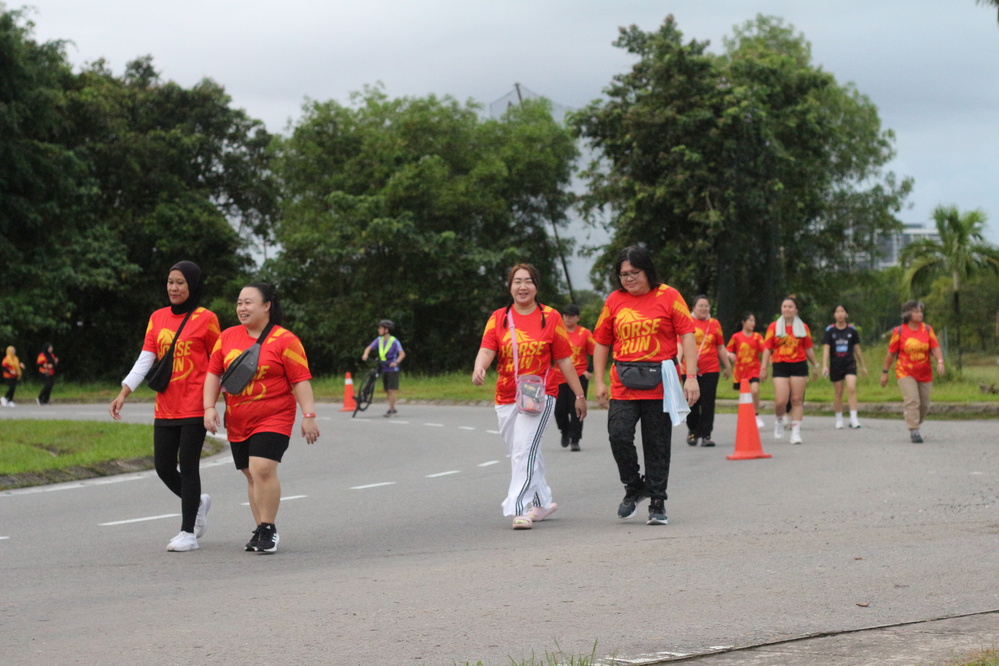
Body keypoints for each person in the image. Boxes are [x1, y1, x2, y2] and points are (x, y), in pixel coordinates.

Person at [109, 261, 220, 552]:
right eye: (171, 282)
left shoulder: (206, 318)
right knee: (163, 467)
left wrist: (214, 404)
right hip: (166, 405)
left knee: (189, 465)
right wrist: (124, 392)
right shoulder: (157, 317)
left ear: (192, 286)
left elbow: (218, 363)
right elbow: (146, 358)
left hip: (195, 404)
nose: (174, 287)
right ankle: (197, 503)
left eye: (180, 282)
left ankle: (188, 533)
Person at [204, 282, 319, 552]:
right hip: (238, 418)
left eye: (248, 302)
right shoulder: (227, 337)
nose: (242, 308)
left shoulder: (285, 340)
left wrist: (309, 415)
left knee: (262, 468)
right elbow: (213, 374)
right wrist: (209, 407)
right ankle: (260, 529)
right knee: (250, 473)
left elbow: (300, 380)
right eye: (239, 303)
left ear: (267, 306)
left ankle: (269, 528)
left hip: (274, 416)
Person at [472, 263, 587, 530]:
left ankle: (520, 507)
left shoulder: (551, 317)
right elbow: (487, 349)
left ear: (536, 286)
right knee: (523, 450)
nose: (522, 287)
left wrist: (579, 394)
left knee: (524, 450)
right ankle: (542, 501)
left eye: (528, 281)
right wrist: (480, 367)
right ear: (510, 286)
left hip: (539, 393)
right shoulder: (499, 317)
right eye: (517, 281)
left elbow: (564, 359)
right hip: (506, 394)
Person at [592, 245, 699, 525]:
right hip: (623, 382)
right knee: (618, 435)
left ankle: (657, 501)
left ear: (647, 271)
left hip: (661, 382)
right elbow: (602, 341)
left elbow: (688, 335)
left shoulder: (669, 295)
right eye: (623, 274)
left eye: (634, 273)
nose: (628, 279)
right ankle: (634, 486)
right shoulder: (614, 300)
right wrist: (599, 380)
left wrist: (691, 377)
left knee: (657, 444)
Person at [879, 300, 945, 443]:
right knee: (912, 400)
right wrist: (885, 372)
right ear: (908, 314)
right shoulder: (899, 331)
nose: (920, 314)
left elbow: (935, 348)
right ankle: (914, 430)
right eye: (916, 312)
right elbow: (891, 354)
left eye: (921, 311)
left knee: (924, 404)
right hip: (905, 371)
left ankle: (913, 419)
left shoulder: (927, 329)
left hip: (925, 372)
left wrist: (940, 361)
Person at [760, 296, 820, 445]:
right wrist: (763, 368)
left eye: (790, 307)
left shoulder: (803, 327)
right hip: (780, 365)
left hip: (799, 364)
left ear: (796, 310)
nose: (787, 309)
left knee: (797, 400)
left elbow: (808, 348)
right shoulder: (774, 327)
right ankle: (779, 420)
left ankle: (796, 432)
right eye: (784, 306)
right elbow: (767, 348)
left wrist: (815, 365)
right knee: (781, 401)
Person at [683, 295, 732, 447]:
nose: (704, 308)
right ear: (694, 308)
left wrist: (727, 365)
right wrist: (677, 362)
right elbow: (680, 344)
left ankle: (706, 435)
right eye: (701, 306)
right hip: (689, 369)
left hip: (710, 368)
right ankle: (692, 431)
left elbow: (720, 347)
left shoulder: (714, 324)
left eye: (706, 306)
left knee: (708, 403)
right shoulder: (687, 322)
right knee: (691, 401)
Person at [552, 304, 595, 452]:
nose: (568, 318)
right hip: (559, 376)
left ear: (577, 318)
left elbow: (595, 352)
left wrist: (589, 370)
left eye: (571, 316)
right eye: (565, 315)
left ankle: (575, 439)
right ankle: (564, 430)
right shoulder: (557, 332)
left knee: (576, 408)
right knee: (559, 410)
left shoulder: (585, 333)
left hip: (579, 375)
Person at [822, 304, 868, 429]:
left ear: (846, 314)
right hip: (836, 364)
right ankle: (839, 418)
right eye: (837, 312)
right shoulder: (830, 330)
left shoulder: (852, 330)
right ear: (834, 315)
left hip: (849, 363)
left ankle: (854, 418)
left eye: (842, 311)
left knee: (851, 388)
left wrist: (863, 366)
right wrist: (825, 365)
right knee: (839, 392)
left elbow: (857, 348)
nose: (840, 314)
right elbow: (826, 348)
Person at [726, 312, 766, 428]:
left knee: (754, 390)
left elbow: (765, 351)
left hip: (754, 369)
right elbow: (727, 350)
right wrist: (730, 355)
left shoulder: (757, 337)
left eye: (754, 321)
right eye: (751, 320)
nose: (753, 323)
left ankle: (756, 414)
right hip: (740, 371)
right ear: (744, 322)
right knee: (745, 395)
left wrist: (767, 365)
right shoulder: (736, 337)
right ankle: (746, 417)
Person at [361, 319, 406, 417]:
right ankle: (364, 395)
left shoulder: (394, 341)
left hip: (392, 368)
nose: (378, 329)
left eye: (380, 328)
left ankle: (392, 409)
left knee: (391, 390)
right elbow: (369, 348)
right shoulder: (379, 340)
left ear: (386, 330)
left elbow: (402, 354)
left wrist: (396, 362)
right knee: (374, 377)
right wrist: (365, 354)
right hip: (383, 366)